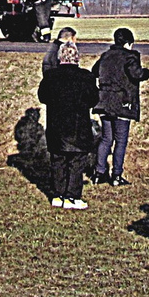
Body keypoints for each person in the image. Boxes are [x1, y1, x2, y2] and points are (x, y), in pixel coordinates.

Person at [38, 41, 100, 210]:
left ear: (60, 57)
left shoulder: (50, 76)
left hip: (56, 127)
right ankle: (72, 196)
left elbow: (42, 97)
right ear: (77, 58)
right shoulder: (86, 77)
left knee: (58, 161)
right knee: (76, 162)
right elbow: (94, 100)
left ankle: (57, 195)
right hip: (78, 127)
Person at [92, 27, 149, 186]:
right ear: (128, 43)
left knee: (106, 139)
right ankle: (116, 175)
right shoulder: (130, 57)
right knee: (121, 141)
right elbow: (137, 74)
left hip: (103, 102)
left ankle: (99, 173)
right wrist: (146, 72)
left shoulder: (105, 56)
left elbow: (94, 71)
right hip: (122, 103)